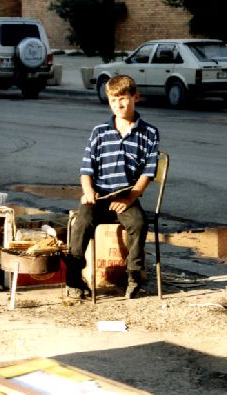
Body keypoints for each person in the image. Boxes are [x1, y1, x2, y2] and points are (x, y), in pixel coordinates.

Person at [66, 75, 160, 299]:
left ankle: (134, 277)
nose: (118, 105)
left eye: (123, 99)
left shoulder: (150, 133)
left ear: (135, 97)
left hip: (126, 197)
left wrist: (130, 198)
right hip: (98, 196)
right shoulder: (99, 132)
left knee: (138, 223)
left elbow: (148, 172)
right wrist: (88, 193)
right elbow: (86, 169)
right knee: (81, 224)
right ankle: (73, 280)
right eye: (113, 100)